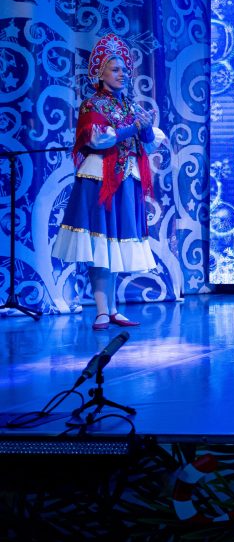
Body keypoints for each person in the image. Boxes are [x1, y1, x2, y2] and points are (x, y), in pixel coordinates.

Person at [53, 34, 164, 330]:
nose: (122, 74)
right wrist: (133, 128)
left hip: (125, 177)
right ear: (100, 74)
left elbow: (148, 142)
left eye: (124, 70)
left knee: (114, 244)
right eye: (115, 70)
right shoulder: (92, 105)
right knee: (99, 242)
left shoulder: (130, 105)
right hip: (100, 178)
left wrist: (145, 129)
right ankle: (102, 310)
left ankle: (112, 309)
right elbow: (98, 139)